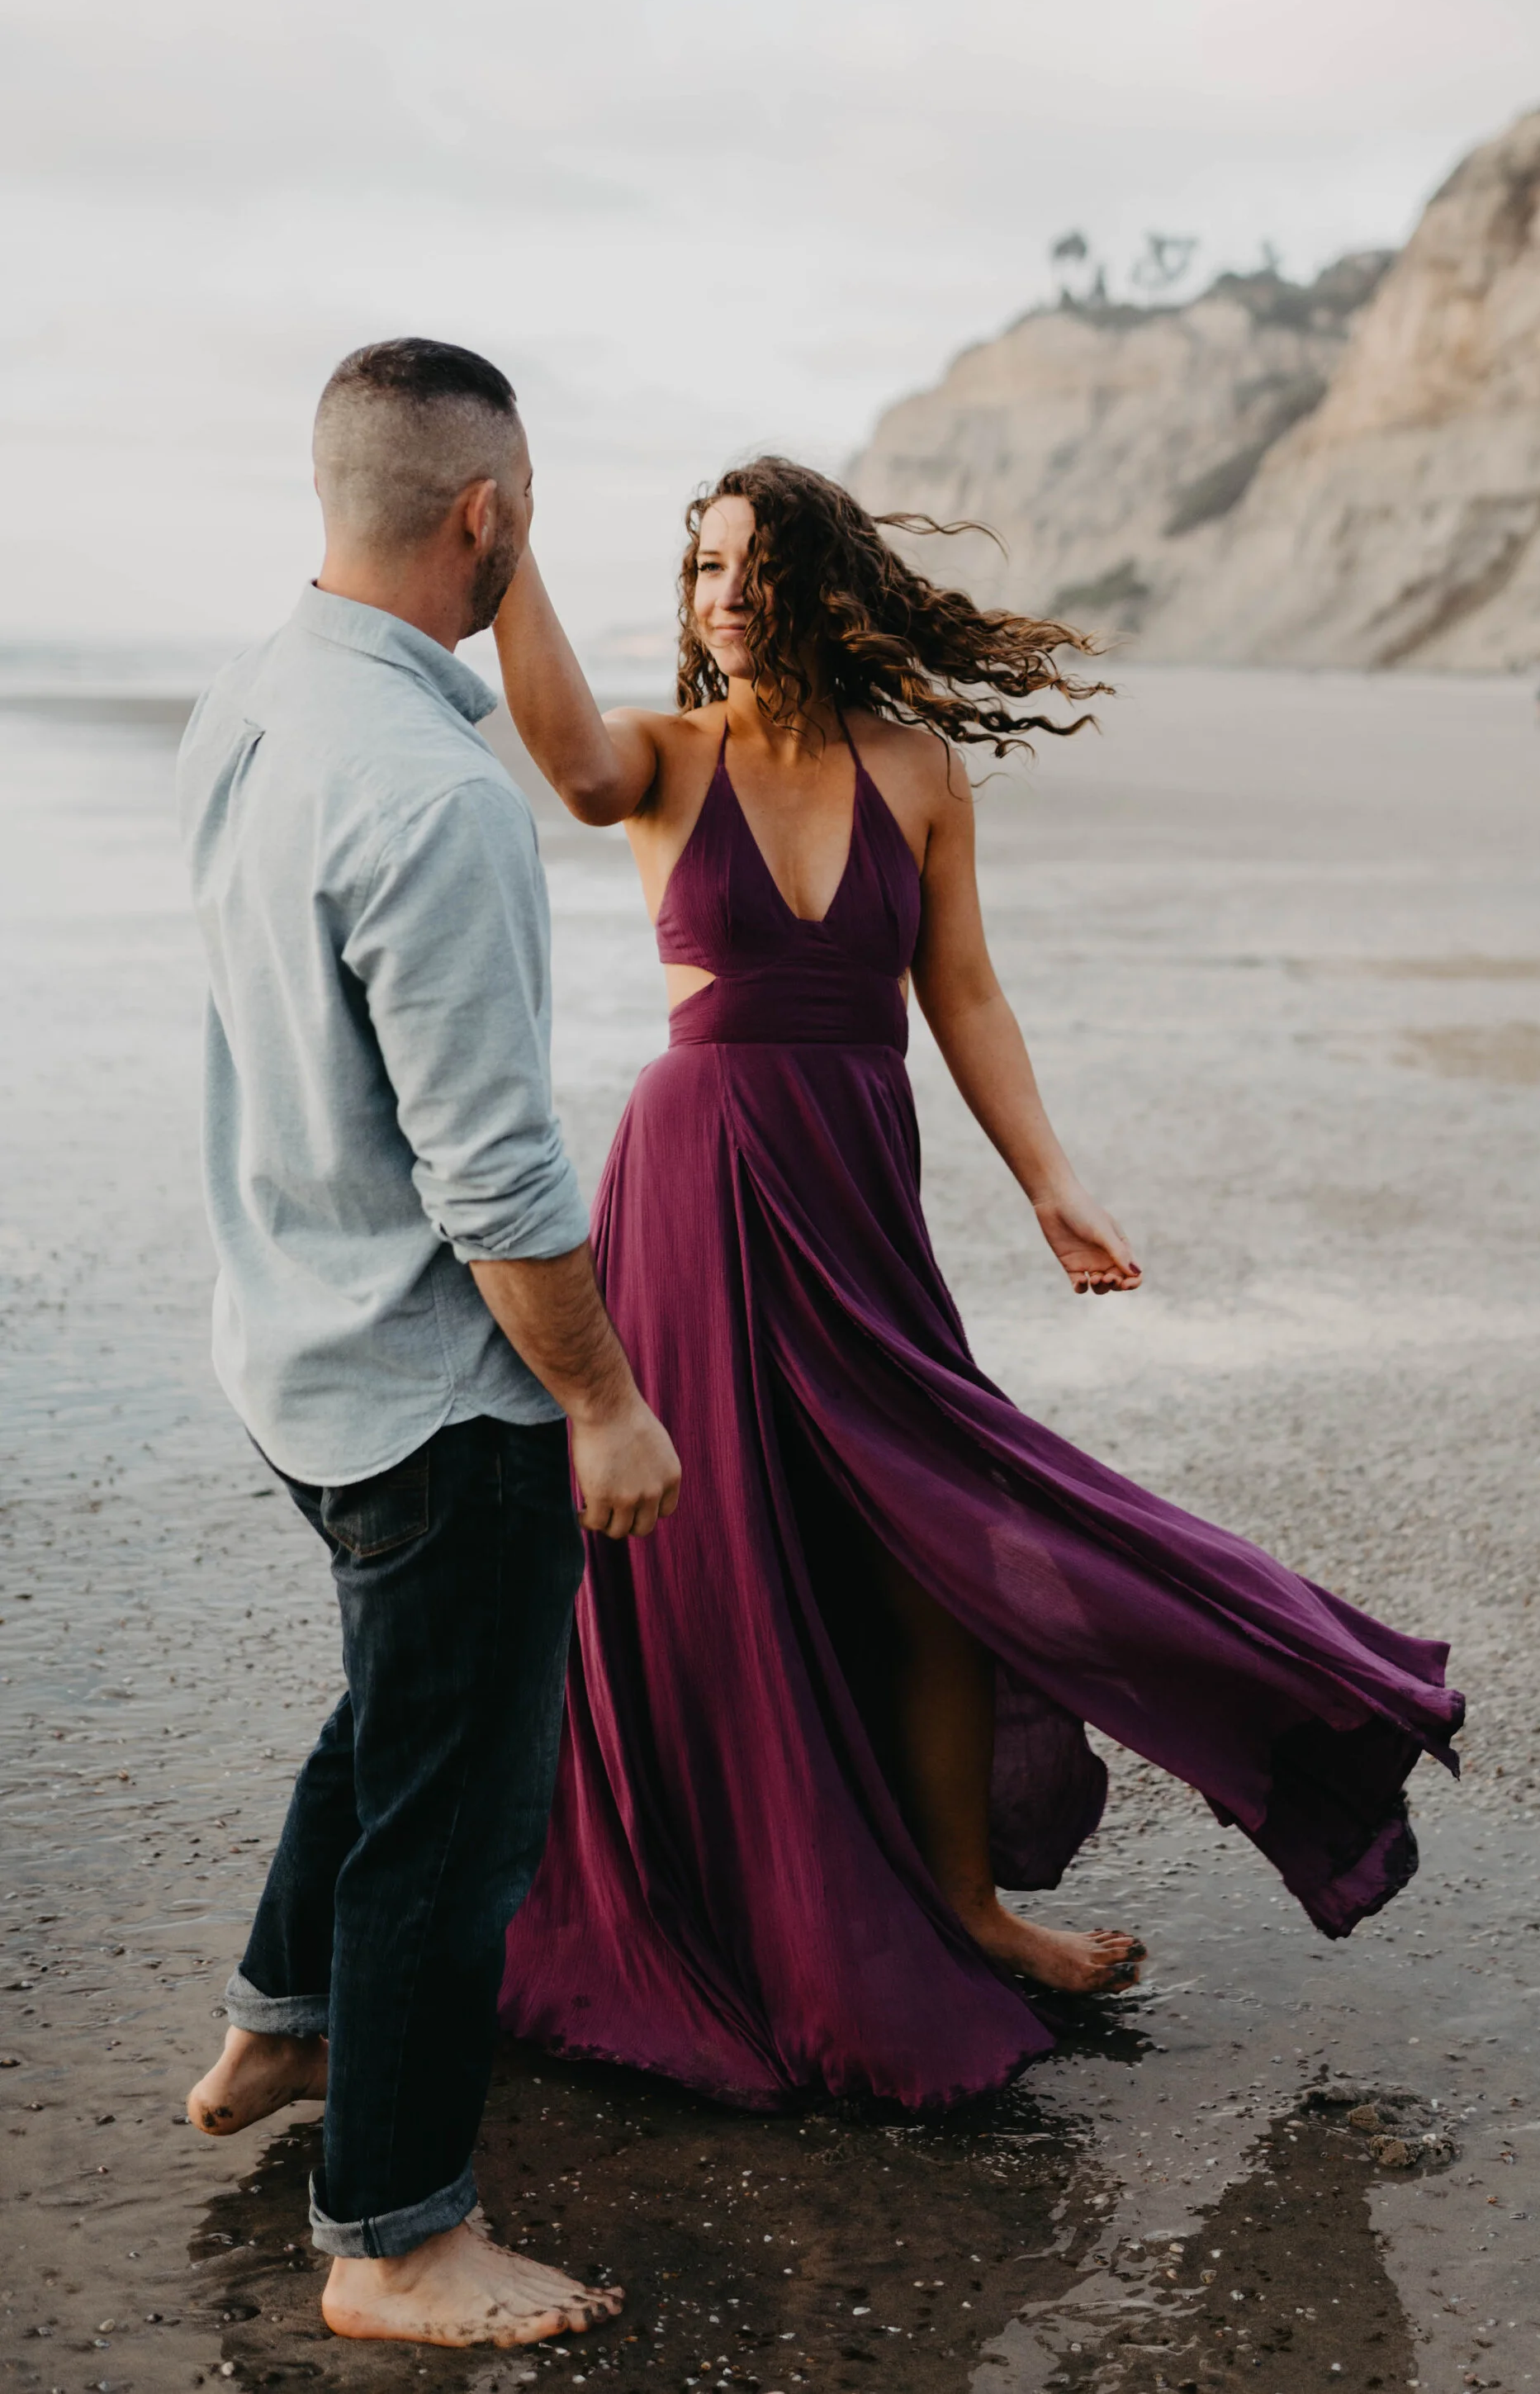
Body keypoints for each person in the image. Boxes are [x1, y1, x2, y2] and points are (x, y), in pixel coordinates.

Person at [494, 457, 1463, 2111]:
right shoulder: (664, 759)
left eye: (750, 567)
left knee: (931, 1537)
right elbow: (573, 763)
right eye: (699, 569)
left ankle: (961, 1901)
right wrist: (505, 552)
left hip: (856, 1188)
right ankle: (725, 1901)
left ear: (820, 585)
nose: (719, 595)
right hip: (693, 1180)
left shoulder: (919, 772)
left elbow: (963, 996)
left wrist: (1051, 1183)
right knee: (710, 1547)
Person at [174, 339, 680, 2348]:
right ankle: (391, 2240)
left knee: (395, 1709)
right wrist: (607, 1402)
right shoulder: (431, 799)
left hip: (288, 1347)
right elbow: (497, 1182)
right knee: (454, 1819)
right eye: (522, 513)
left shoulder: (257, 703)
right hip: (430, 1387)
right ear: (486, 514)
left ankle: (279, 2034)